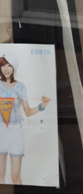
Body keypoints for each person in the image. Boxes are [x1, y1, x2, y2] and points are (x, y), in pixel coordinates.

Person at [0, 52, 50, 185]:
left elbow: (27, 112)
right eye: (3, 65)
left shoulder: (21, 86)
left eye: (9, 65)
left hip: (16, 133)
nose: (6, 69)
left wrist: (42, 106)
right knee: (0, 176)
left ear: (14, 68)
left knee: (15, 176)